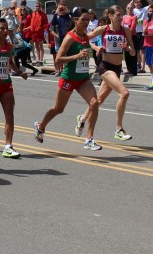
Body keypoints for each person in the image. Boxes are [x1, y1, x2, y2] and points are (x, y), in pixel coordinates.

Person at [33, 8, 103, 150]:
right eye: (83, 19)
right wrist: (76, 56)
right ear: (75, 20)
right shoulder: (70, 37)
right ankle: (41, 126)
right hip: (69, 78)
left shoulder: (85, 37)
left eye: (88, 20)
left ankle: (89, 138)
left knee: (94, 103)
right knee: (58, 109)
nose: (86, 22)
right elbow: (58, 59)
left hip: (83, 79)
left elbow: (95, 34)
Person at [76, 6, 134, 141]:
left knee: (99, 101)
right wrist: (96, 47)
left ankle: (82, 118)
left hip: (117, 68)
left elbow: (133, 52)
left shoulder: (126, 31)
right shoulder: (103, 29)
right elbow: (85, 39)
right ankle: (118, 129)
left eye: (122, 15)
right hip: (105, 67)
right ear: (111, 16)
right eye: (118, 15)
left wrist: (127, 48)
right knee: (124, 93)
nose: (121, 17)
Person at [0, 18, 28, 158]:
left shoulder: (9, 46)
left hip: (6, 84)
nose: (5, 31)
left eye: (6, 29)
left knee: (10, 115)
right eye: (2, 28)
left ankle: (8, 146)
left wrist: (19, 72)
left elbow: (10, 62)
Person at [48, 4, 73, 77]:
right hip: (59, 40)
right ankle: (59, 70)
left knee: (67, 55)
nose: (62, 10)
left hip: (68, 39)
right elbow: (52, 24)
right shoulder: (57, 17)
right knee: (59, 55)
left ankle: (66, 70)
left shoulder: (68, 16)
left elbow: (73, 19)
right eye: (60, 9)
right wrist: (57, 12)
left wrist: (67, 11)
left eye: (63, 8)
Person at [130, 0, 153, 71]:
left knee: (142, 51)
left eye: (139, 2)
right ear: (135, 4)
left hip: (142, 32)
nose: (138, 4)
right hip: (135, 32)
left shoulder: (145, 9)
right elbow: (128, 6)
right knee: (136, 50)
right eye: (136, 2)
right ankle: (138, 65)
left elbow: (152, 5)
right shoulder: (133, 10)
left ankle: (143, 67)